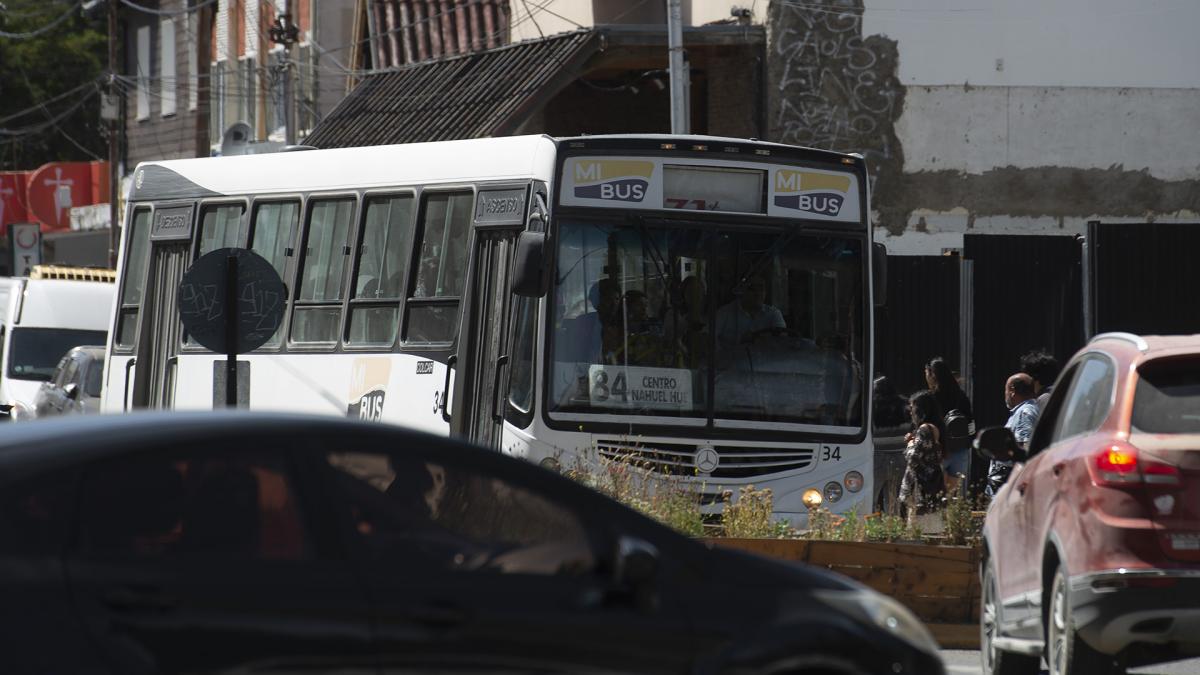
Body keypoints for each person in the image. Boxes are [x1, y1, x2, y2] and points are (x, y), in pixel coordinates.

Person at [924, 357, 974, 487]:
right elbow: (970, 423)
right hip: (959, 448)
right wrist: (968, 442)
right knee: (952, 495)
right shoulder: (961, 396)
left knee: (937, 493)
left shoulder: (931, 397)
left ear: (931, 375)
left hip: (938, 450)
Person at [988, 373, 1040, 497]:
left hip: (1011, 486)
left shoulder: (1024, 413)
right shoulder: (1029, 409)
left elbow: (1025, 448)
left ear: (1012, 390)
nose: (1005, 394)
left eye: (1005, 390)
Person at [898, 390, 946, 518]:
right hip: (931, 485)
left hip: (919, 489)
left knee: (918, 529)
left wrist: (909, 443)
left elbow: (913, 457)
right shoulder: (935, 427)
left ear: (921, 410)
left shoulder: (925, 429)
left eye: (913, 408)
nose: (910, 411)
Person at [715, 273, 786, 348]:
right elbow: (706, 336)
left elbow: (783, 341)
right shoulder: (725, 313)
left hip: (766, 359)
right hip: (731, 358)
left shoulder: (774, 314)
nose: (757, 293)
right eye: (752, 289)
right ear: (742, 291)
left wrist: (762, 339)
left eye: (761, 289)